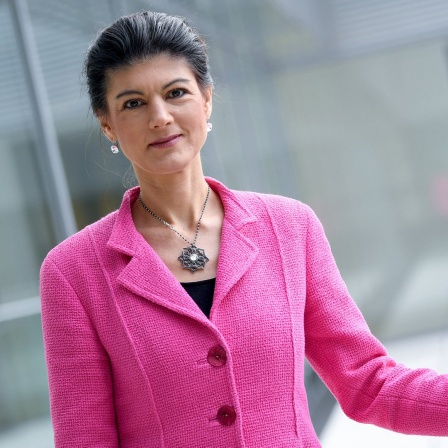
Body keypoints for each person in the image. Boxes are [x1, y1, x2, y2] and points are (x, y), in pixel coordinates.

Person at [40, 10, 448, 448]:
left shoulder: (290, 228)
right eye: (133, 103)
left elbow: (368, 383)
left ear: (207, 99)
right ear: (108, 124)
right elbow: (85, 439)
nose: (159, 116)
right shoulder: (72, 273)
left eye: (176, 92)